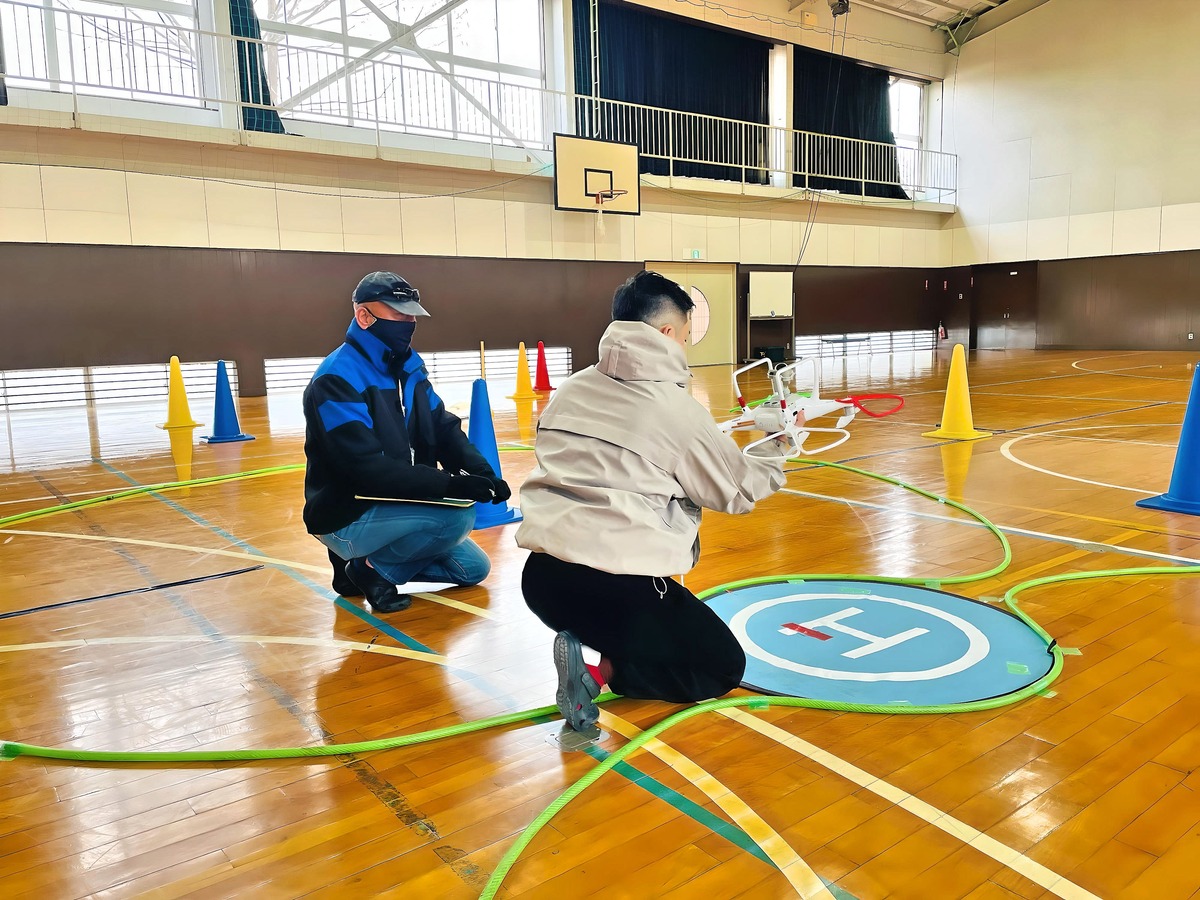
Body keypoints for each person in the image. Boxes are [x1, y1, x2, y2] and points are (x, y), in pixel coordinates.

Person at [516, 270, 788, 730]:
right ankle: (600, 673)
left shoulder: (570, 390)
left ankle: (598, 651)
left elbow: (625, 455)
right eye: (683, 336)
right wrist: (778, 445)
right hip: (614, 584)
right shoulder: (674, 410)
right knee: (719, 667)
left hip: (541, 580)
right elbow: (739, 492)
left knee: (645, 624)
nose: (683, 347)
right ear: (666, 333)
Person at [303, 271, 511, 613]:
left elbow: (441, 426)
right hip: (349, 511)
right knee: (455, 519)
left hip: (400, 502)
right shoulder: (336, 379)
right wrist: (451, 485)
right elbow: (366, 470)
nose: (409, 322)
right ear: (364, 316)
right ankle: (369, 569)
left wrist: (481, 471)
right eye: (399, 314)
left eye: (412, 314)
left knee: (473, 569)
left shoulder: (409, 369)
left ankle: (357, 568)